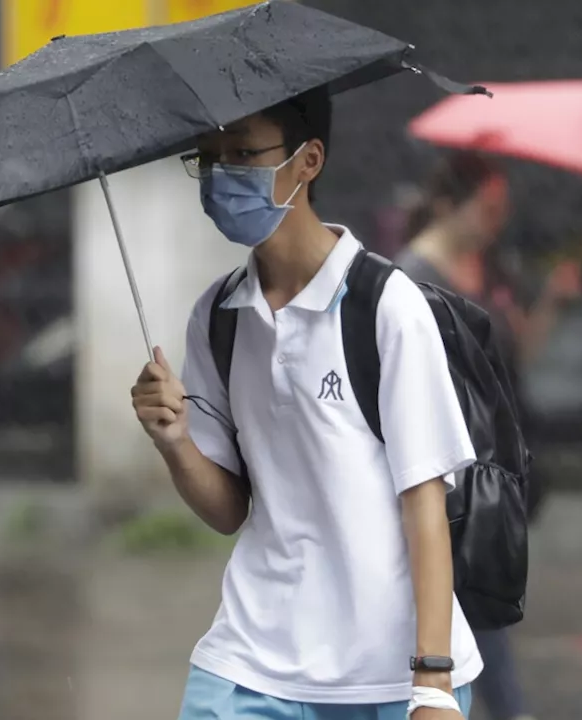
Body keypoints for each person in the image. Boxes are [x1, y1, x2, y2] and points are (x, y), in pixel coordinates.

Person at [132, 87, 478, 720]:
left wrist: (432, 681)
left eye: (241, 153)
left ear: (308, 160)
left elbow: (425, 499)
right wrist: (175, 440)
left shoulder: (385, 305)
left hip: (384, 672)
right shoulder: (217, 316)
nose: (220, 177)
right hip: (251, 658)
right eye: (207, 158)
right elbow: (227, 509)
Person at [396, 151, 582, 720]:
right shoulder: (410, 278)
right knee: (472, 600)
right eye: (489, 207)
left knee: (480, 599)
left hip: (495, 468)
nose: (497, 220)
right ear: (450, 205)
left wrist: (551, 298)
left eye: (503, 210)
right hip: (447, 469)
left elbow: (516, 358)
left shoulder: (493, 268)